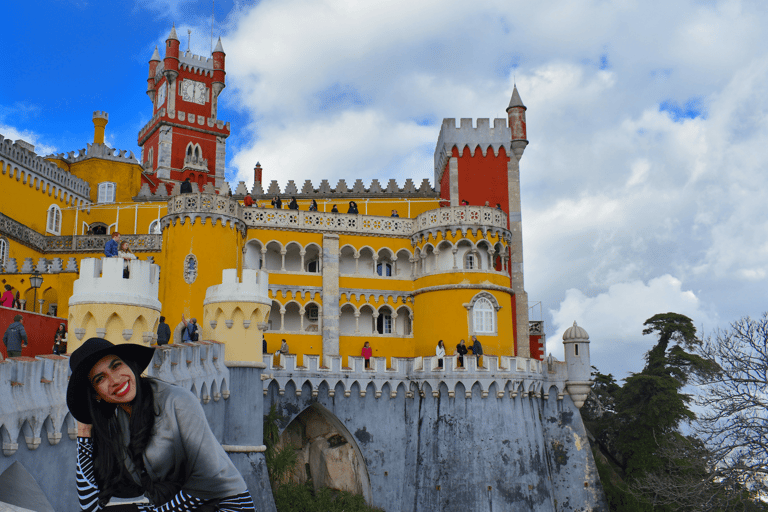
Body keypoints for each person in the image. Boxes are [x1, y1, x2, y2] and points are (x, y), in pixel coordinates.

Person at [67, 338, 256, 511]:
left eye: (116, 366)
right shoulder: (116, 423)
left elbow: (209, 479)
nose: (115, 380)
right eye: (100, 378)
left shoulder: (178, 402)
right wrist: (84, 432)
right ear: (95, 394)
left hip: (227, 505)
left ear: (130, 365)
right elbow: (89, 506)